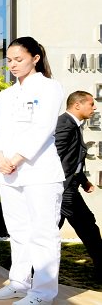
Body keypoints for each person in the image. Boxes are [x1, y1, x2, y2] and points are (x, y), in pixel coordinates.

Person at [0, 37, 64, 305]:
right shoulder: (6, 95)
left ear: (35, 58)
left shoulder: (49, 87)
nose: (12, 65)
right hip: (8, 172)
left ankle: (43, 292)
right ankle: (19, 283)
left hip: (39, 172)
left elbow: (43, 128)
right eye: (9, 60)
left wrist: (17, 158)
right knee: (18, 232)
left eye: (18, 59)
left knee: (43, 233)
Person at [55, 91, 102, 282]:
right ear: (77, 105)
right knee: (88, 227)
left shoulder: (73, 124)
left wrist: (83, 181)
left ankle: (29, 272)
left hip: (68, 187)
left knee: (52, 230)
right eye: (91, 104)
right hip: (63, 189)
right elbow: (55, 157)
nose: (95, 107)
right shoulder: (64, 124)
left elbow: (71, 160)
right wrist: (60, 186)